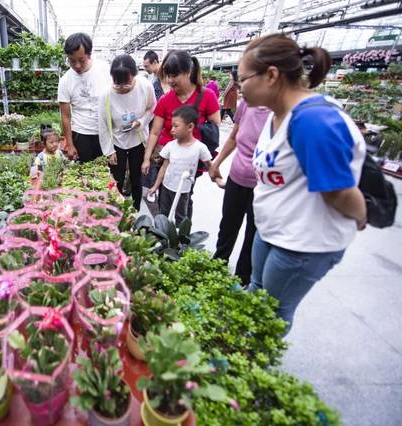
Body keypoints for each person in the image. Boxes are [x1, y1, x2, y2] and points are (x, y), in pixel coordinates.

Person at [239, 34, 367, 333]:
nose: (238, 86)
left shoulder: (313, 122)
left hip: (303, 244)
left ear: (271, 75)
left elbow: (339, 191)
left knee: (271, 315)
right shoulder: (277, 116)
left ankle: (254, 374)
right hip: (274, 232)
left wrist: (362, 215)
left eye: (242, 78)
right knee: (256, 294)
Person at [141, 50, 221, 219]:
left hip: (191, 159)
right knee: (164, 195)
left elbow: (215, 127)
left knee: (184, 195)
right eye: (168, 75)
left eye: (175, 75)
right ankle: (163, 231)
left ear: (188, 72)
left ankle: (181, 234)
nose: (170, 80)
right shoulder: (165, 100)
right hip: (167, 157)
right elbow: (155, 132)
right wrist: (147, 158)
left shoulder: (207, 96)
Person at [209, 99, 271, 286]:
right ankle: (216, 269)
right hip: (237, 178)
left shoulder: (281, 110)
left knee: (253, 235)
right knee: (227, 226)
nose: (242, 86)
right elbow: (233, 137)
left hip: (263, 187)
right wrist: (216, 164)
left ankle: (242, 281)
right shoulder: (247, 103)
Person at [98, 54, 155, 211]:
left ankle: (135, 211)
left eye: (127, 83)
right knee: (116, 179)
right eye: (118, 84)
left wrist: (141, 122)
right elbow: (102, 125)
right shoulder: (106, 95)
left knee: (137, 179)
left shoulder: (145, 87)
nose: (122, 88)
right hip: (117, 141)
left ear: (134, 75)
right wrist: (109, 151)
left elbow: (152, 108)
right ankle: (115, 211)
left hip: (138, 139)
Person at [147, 105, 213, 224]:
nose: (171, 129)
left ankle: (179, 240)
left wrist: (217, 179)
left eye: (176, 126)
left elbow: (210, 166)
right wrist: (156, 186)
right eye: (172, 125)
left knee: (180, 218)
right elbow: (163, 167)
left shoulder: (200, 148)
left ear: (190, 127)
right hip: (166, 188)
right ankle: (162, 237)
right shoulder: (170, 146)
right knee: (163, 215)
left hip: (183, 191)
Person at [57, 33, 112, 163]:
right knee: (82, 173)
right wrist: (70, 145)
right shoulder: (65, 81)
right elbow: (65, 116)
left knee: (106, 173)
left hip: (105, 132)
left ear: (89, 54)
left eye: (81, 60)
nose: (76, 65)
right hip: (81, 134)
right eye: (72, 60)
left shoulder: (104, 70)